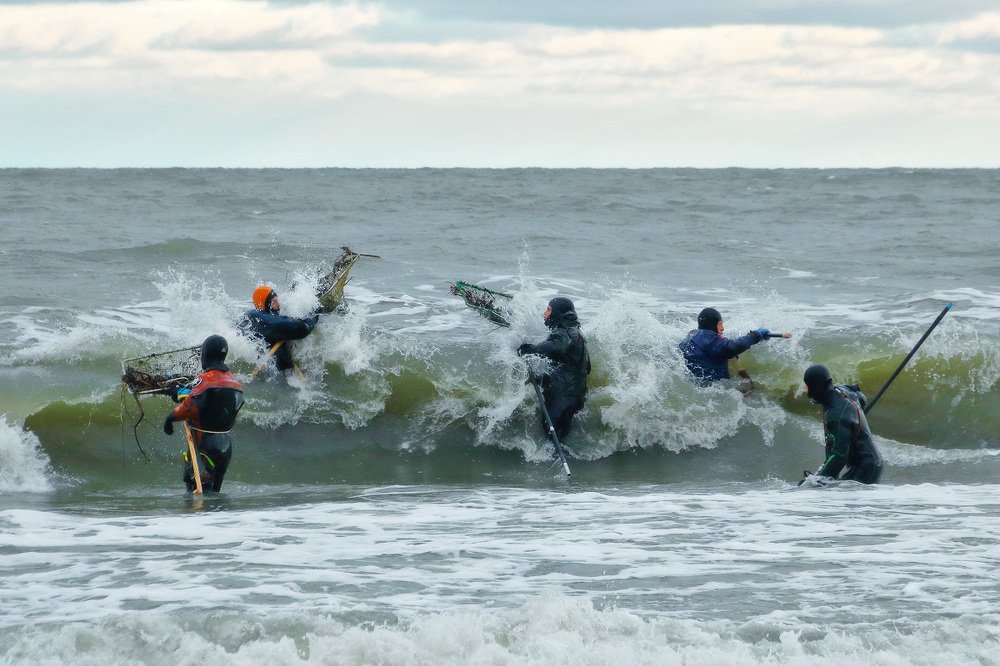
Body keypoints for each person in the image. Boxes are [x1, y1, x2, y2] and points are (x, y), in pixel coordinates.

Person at [162, 335, 245, 493]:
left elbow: (187, 408)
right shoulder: (235, 383)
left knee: (195, 488)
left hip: (205, 445)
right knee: (214, 491)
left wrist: (170, 418)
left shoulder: (204, 380)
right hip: (225, 446)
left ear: (205, 355)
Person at [517, 296, 592, 448]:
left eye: (549, 310)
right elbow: (585, 367)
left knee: (551, 432)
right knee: (562, 433)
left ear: (558, 313)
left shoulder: (562, 330)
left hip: (563, 396)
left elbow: (557, 346)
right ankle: (564, 453)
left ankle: (557, 457)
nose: (545, 313)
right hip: (577, 394)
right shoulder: (576, 331)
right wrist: (544, 379)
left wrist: (530, 349)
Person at [800, 364, 883, 485]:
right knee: (832, 490)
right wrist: (856, 417)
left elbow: (839, 457)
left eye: (807, 386)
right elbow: (861, 397)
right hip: (869, 464)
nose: (804, 389)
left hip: (866, 469)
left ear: (816, 387)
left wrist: (817, 481)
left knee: (833, 493)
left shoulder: (836, 416)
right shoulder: (841, 390)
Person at [678, 307, 774, 383]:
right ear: (712, 325)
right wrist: (756, 335)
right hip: (714, 389)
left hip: (698, 384)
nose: (723, 328)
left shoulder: (692, 336)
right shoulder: (708, 338)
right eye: (720, 324)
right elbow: (732, 348)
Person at [238, 285, 319, 374]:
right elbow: (302, 329)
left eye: (277, 300)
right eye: (274, 301)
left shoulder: (251, 314)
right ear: (267, 304)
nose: (278, 304)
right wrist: (315, 313)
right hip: (274, 371)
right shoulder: (271, 323)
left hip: (257, 357)